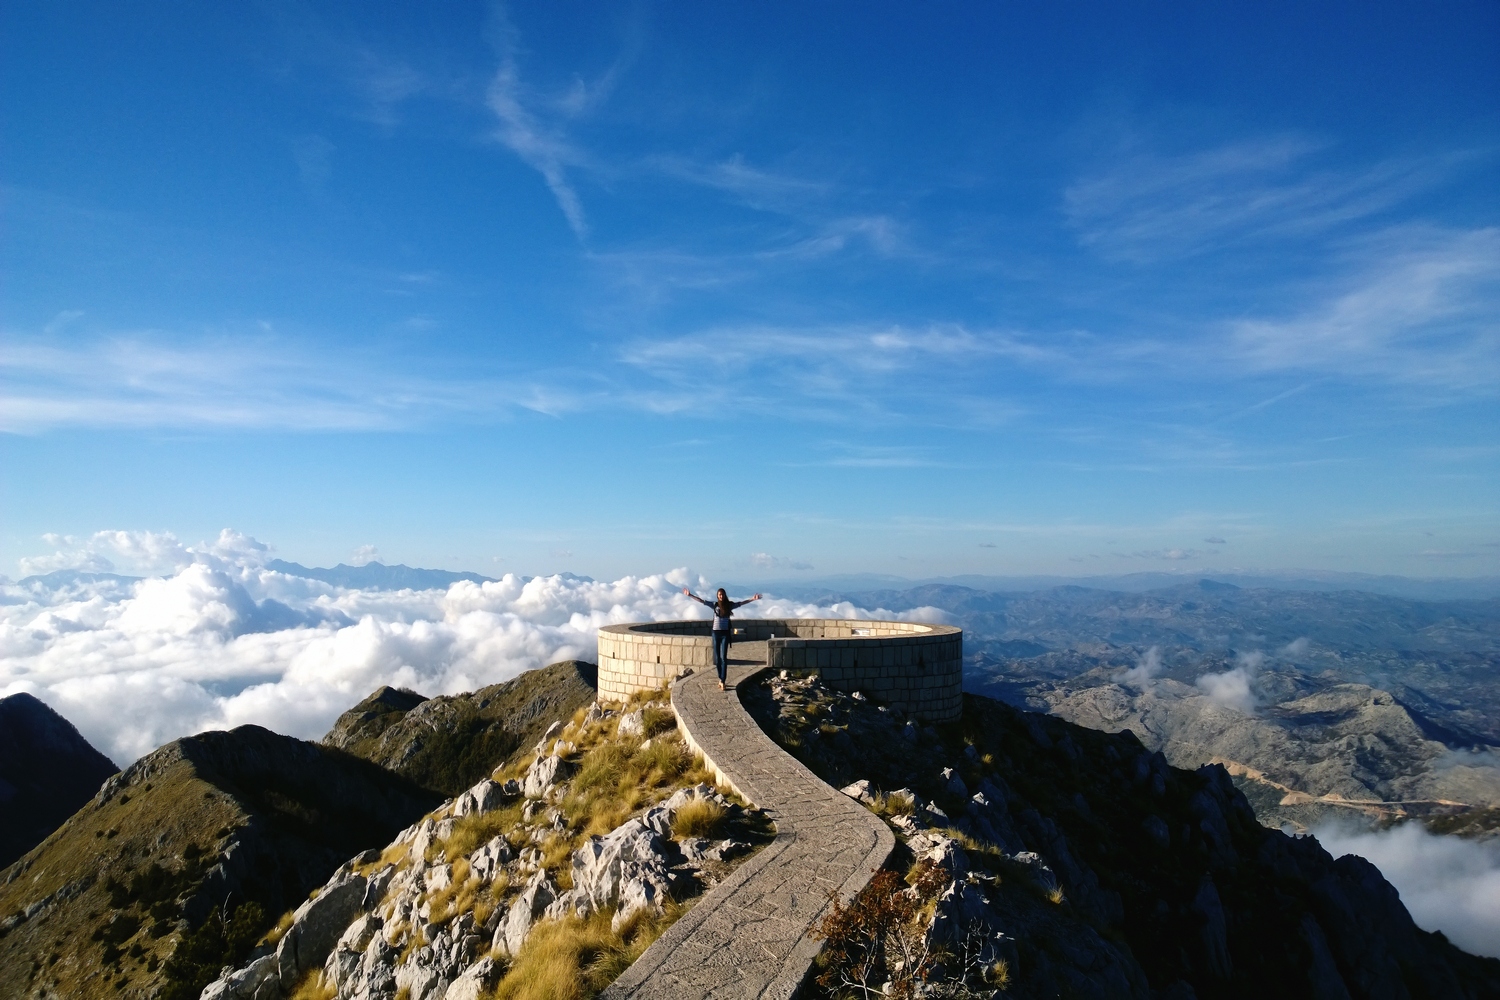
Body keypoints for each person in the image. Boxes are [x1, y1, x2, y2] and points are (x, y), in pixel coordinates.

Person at [683, 587, 762, 690]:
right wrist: (690, 595)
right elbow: (702, 601)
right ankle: (720, 677)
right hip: (716, 633)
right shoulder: (715, 605)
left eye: (722, 594)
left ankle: (722, 680)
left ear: (724, 595)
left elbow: (741, 603)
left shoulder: (729, 605)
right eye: (719, 595)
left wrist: (752, 599)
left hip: (725, 634)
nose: (721, 596)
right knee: (718, 658)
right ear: (717, 596)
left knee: (723, 658)